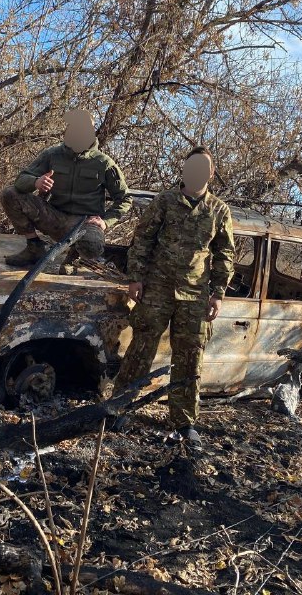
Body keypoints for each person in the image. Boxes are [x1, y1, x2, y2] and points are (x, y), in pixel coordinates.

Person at [112, 146, 235, 449]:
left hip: (195, 295)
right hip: (157, 287)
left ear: (210, 173)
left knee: (190, 357)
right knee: (141, 347)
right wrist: (136, 277)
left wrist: (217, 293)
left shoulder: (219, 210)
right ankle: (119, 408)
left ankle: (183, 422)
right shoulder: (164, 202)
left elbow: (225, 254)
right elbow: (142, 239)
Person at [0, 109, 132, 267]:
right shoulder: (52, 155)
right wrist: (36, 182)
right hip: (54, 216)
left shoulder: (104, 163)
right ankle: (34, 246)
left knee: (92, 247)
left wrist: (105, 221)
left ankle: (74, 257)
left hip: (84, 222)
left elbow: (125, 198)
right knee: (9, 193)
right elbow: (20, 180)